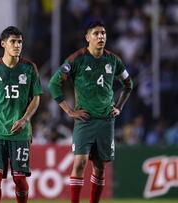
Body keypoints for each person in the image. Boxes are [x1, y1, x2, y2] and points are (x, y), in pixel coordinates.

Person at [48, 21, 133, 203]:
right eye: (96, 33)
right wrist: (69, 111)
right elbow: (54, 84)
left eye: (103, 33)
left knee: (100, 167)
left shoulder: (113, 60)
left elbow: (128, 84)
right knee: (80, 163)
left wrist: (119, 107)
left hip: (105, 121)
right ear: (87, 37)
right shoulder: (77, 59)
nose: (100, 36)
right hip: (84, 120)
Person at [0, 26, 42, 203]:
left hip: (20, 133)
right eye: (13, 41)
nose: (17, 45)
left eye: (20, 42)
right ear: (3, 44)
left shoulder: (29, 68)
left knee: (20, 179)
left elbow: (36, 98)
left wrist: (25, 120)